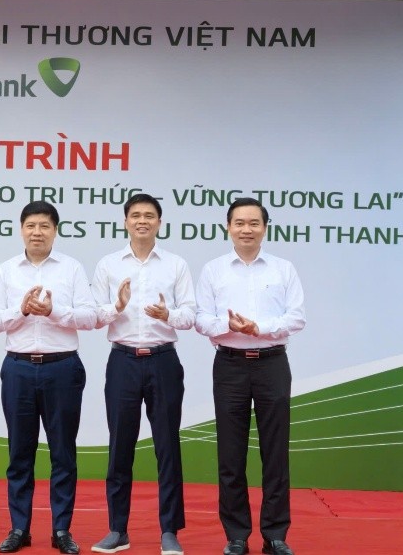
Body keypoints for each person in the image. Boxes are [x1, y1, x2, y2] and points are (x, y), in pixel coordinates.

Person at [195, 198, 305, 555]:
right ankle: (237, 535)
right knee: (231, 455)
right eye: (239, 223)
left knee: (275, 453)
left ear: (265, 228)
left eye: (254, 223)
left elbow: (296, 317)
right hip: (230, 365)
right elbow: (201, 319)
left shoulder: (283, 269)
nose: (246, 229)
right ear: (228, 227)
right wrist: (228, 326)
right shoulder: (213, 270)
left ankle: (275, 535)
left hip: (272, 364)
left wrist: (260, 328)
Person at [0, 201, 97, 555]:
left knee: (63, 453)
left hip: (62, 368)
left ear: (55, 231)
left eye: (44, 226)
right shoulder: (5, 270)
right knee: (20, 453)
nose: (37, 232)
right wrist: (21, 311)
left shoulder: (71, 268)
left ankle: (61, 529)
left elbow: (89, 317)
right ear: (21, 229)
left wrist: (53, 311)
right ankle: (19, 528)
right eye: (31, 225)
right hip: (18, 368)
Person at [89, 194, 195, 555]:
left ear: (159, 223)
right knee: (120, 446)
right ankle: (117, 529)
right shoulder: (108, 264)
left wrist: (169, 316)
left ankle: (170, 531)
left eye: (149, 215)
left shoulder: (176, 265)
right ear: (125, 222)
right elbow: (94, 315)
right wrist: (116, 306)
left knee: (167, 447)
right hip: (123, 361)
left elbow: (190, 314)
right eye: (135, 215)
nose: (142, 221)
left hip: (163, 361)